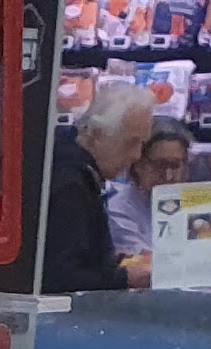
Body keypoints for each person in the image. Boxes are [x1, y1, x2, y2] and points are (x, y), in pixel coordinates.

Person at [43, 82, 163, 293]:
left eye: (142, 144)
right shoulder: (70, 184)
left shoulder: (78, 170)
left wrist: (112, 262)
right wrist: (124, 278)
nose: (136, 155)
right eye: (131, 143)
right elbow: (59, 278)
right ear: (97, 135)